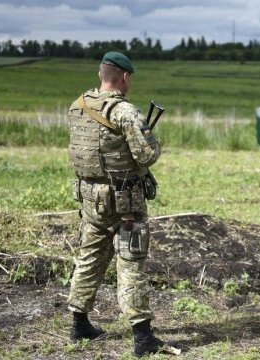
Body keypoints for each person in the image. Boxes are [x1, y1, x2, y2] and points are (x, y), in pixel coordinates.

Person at [66, 51, 164, 357]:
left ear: (100, 73)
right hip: (125, 203)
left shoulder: (77, 105)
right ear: (125, 77)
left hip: (90, 199)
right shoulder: (125, 112)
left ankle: (79, 323)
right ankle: (143, 337)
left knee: (90, 257)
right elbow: (147, 155)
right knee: (131, 262)